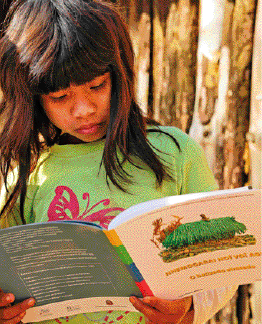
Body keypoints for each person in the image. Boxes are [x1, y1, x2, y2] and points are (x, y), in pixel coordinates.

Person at [0, 0, 238, 323]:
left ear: (119, 73)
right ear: (35, 96)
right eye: (60, 97)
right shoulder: (26, 178)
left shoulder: (175, 154)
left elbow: (222, 268)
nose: (83, 109)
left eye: (96, 86)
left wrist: (190, 307)